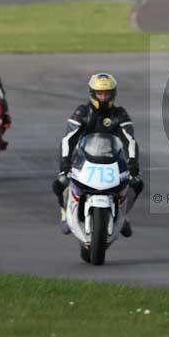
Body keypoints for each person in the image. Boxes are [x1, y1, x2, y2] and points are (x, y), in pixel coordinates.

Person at [52, 73, 143, 237]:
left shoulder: (119, 114)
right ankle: (65, 213)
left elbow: (130, 140)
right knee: (60, 182)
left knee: (136, 182)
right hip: (84, 160)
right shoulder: (82, 112)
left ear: (113, 94)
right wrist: (65, 161)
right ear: (93, 93)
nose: (103, 97)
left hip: (113, 160)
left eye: (107, 93)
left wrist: (133, 162)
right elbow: (68, 139)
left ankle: (124, 214)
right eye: (100, 93)